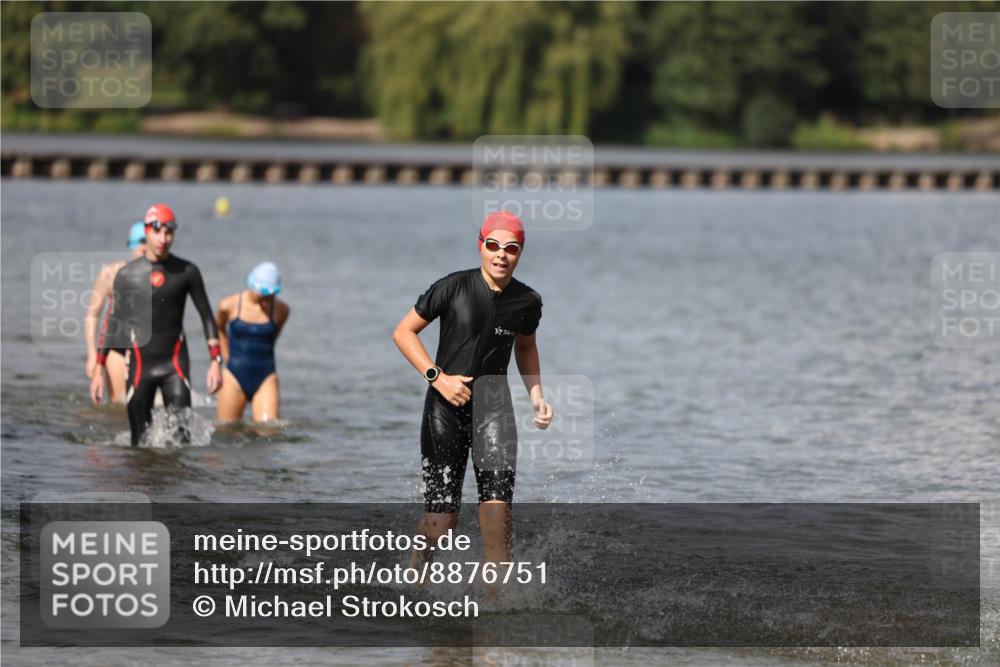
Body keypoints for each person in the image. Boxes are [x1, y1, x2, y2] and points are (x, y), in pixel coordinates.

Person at [392, 210, 554, 570]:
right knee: (442, 522)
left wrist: (537, 397)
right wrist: (438, 377)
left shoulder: (527, 302)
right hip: (443, 412)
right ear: (480, 246)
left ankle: (498, 607)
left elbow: (525, 348)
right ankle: (416, 572)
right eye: (493, 245)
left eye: (510, 248)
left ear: (520, 252)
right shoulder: (452, 287)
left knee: (498, 521)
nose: (501, 254)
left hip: (494, 411)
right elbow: (403, 332)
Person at [89, 204, 223, 445]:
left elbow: (207, 317)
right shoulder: (128, 275)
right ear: (147, 231)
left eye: (169, 232)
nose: (163, 238)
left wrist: (216, 362)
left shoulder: (187, 272)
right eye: (157, 231)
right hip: (141, 367)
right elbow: (113, 324)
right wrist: (99, 369)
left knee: (182, 441)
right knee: (139, 444)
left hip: (174, 366)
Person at [215, 262, 290, 423]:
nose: (266, 303)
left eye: (271, 297)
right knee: (226, 432)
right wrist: (226, 357)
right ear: (251, 286)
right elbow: (218, 329)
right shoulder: (228, 305)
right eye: (262, 297)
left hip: (266, 377)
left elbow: (272, 339)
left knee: (269, 431)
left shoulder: (282, 310)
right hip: (234, 375)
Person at [85, 222, 147, 403]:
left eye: (146, 242)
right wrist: (92, 355)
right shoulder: (110, 273)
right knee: (120, 403)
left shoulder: (159, 276)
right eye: (139, 243)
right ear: (131, 245)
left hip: (148, 347)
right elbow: (92, 314)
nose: (143, 248)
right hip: (117, 346)